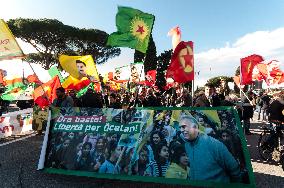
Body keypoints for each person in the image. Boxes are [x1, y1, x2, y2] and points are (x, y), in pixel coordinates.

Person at [177, 115, 241, 182]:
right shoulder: (187, 145)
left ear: (195, 127)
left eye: (184, 127)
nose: (181, 130)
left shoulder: (213, 144)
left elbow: (234, 169)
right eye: (180, 127)